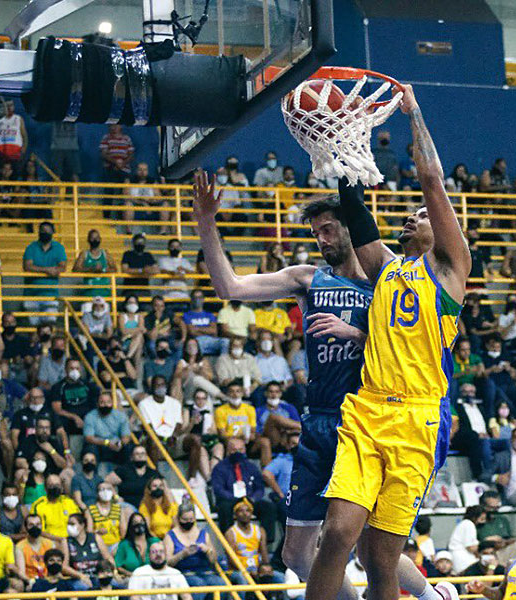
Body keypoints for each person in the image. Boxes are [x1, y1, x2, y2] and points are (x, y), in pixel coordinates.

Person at [194, 148, 387, 599]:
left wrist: (355, 333)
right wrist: (206, 221)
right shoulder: (308, 278)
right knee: (297, 556)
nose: (321, 238)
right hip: (319, 418)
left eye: (328, 228)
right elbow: (230, 287)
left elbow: (414, 345)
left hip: (365, 419)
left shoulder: (386, 280)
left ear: (351, 226)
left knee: (367, 546)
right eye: (315, 232)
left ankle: (436, 595)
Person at [302, 85, 470, 600]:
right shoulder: (385, 269)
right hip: (368, 409)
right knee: (337, 535)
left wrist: (413, 112)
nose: (411, 217)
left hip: (417, 418)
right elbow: (359, 216)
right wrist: (343, 143)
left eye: (419, 217)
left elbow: (431, 180)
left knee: (380, 561)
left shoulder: (450, 270)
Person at [163, 503, 227, 597]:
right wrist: (182, 554)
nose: (188, 522)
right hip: (184, 573)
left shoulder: (203, 533)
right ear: (178, 518)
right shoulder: (170, 536)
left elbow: (213, 560)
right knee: (199, 585)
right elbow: (168, 562)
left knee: (221, 584)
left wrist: (207, 550)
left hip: (205, 572)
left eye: (191, 519)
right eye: (185, 519)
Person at [225, 499, 284, 588]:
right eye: (241, 511)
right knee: (242, 578)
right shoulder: (231, 533)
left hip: (256, 568)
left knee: (280, 577)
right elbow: (231, 559)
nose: (245, 513)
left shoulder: (259, 530)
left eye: (248, 511)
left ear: (251, 514)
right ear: (235, 514)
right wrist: (246, 571)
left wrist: (265, 568)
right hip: (238, 570)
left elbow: (264, 554)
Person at [23, 222, 67, 323]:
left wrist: (41, 269)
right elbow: (27, 266)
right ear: (38, 232)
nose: (45, 233)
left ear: (53, 232)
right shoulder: (31, 247)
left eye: (48, 231)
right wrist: (47, 270)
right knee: (33, 327)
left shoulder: (59, 248)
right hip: (31, 294)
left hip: (50, 294)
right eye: (42, 230)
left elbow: (62, 267)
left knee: (50, 325)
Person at [62, 512, 114, 587]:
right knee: (83, 586)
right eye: (68, 524)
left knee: (119, 584)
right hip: (77, 578)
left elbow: (109, 558)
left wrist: (113, 572)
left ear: (82, 525)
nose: (69, 527)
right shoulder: (66, 541)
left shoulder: (95, 537)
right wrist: (81, 576)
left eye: (72, 524)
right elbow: (64, 567)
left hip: (99, 575)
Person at [106, 444, 159, 509]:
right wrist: (116, 497)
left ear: (146, 456)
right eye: (137, 453)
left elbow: (163, 488)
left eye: (143, 453)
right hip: (127, 507)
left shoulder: (152, 473)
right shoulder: (124, 470)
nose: (140, 456)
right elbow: (106, 482)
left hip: (147, 508)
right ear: (132, 457)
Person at [31, 474, 82, 541]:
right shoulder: (38, 505)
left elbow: (80, 522)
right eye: (51, 485)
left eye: (57, 485)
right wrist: (60, 540)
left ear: (61, 487)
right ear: (45, 488)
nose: (54, 487)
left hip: (71, 539)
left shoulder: (69, 502)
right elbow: (37, 530)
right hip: (49, 541)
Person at [115, 512, 160, 578]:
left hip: (154, 578)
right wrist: (132, 575)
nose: (139, 524)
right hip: (131, 579)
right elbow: (118, 566)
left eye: (142, 521)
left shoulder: (155, 541)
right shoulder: (124, 544)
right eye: (135, 522)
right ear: (131, 526)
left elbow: (163, 561)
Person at [15, 513, 55, 582]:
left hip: (48, 580)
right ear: (26, 527)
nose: (35, 527)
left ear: (41, 526)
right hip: (30, 581)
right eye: (31, 525)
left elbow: (54, 568)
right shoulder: (20, 547)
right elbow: (21, 572)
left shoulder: (50, 544)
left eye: (38, 524)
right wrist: (30, 581)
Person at [448, 506, 485, 572]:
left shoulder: (464, 523)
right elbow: (471, 547)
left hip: (462, 559)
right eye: (481, 519)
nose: (482, 522)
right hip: (463, 561)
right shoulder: (468, 524)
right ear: (475, 517)